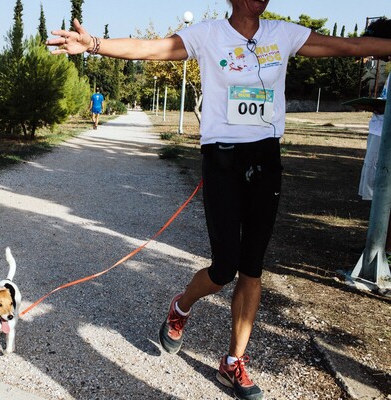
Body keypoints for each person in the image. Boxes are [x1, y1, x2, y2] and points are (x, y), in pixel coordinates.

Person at [47, 1, 391, 399]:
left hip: (266, 158)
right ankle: (181, 306)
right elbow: (152, 48)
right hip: (222, 159)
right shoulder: (208, 35)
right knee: (225, 266)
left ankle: (233, 363)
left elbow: (344, 46)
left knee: (253, 267)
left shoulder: (283, 34)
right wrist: (94, 44)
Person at [358, 18, 391, 263]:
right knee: (376, 189)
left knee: (384, 190)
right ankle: (378, 247)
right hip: (380, 131)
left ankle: (384, 250)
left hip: (385, 137)